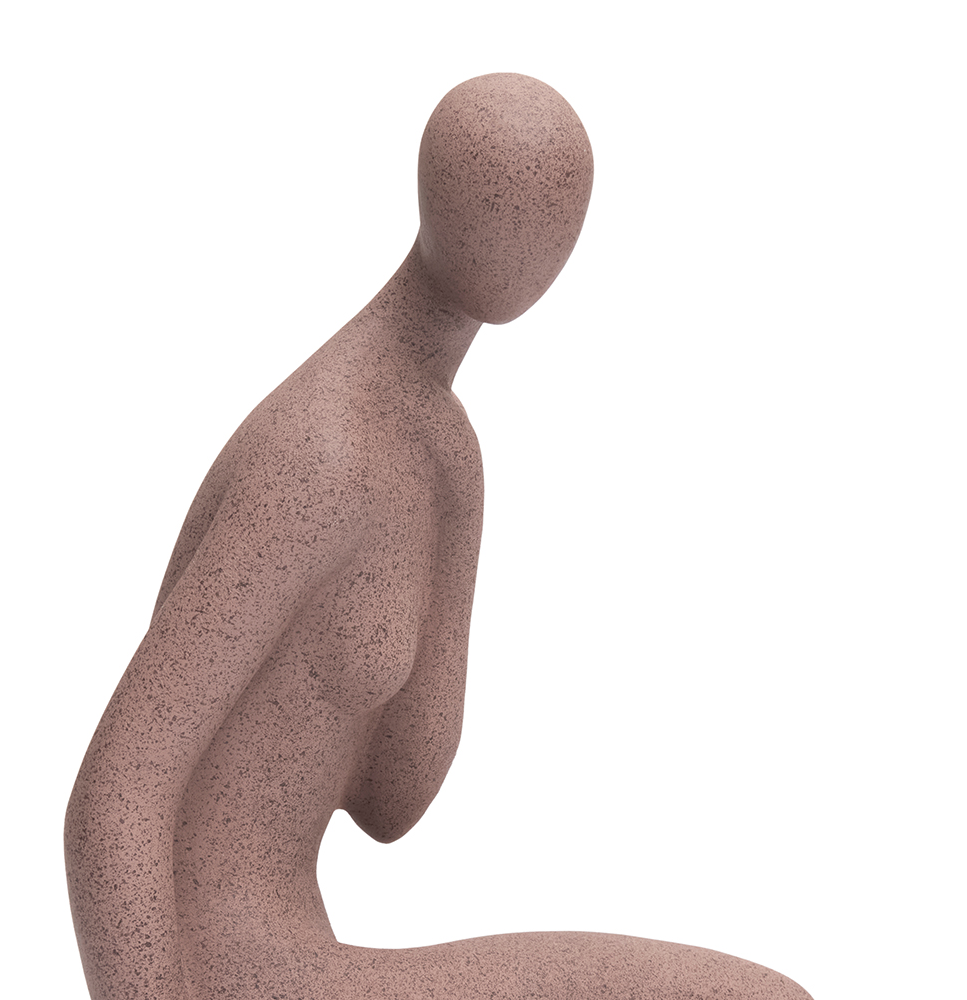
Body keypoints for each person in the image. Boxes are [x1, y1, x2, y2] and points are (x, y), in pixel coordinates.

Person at [65, 72, 812, 1000]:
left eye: (554, 213)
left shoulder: (433, 447)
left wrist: (453, 531)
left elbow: (393, 801)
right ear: (434, 194)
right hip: (237, 977)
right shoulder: (325, 450)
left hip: (303, 956)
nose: (530, 238)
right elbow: (115, 794)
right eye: (509, 203)